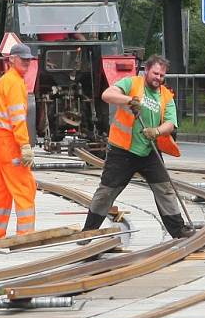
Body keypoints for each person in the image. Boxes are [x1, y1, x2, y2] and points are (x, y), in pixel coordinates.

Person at [79, 55, 195, 240]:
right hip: (122, 151)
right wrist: (128, 100)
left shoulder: (166, 96)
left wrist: (156, 131)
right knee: (106, 192)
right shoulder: (131, 83)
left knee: (165, 189)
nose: (158, 78)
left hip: (149, 151)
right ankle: (88, 233)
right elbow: (107, 95)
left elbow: (171, 123)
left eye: (162, 75)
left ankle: (179, 232)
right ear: (147, 70)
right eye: (156, 73)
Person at [0, 43, 37, 242]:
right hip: (9, 142)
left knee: (0, 190)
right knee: (24, 186)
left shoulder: (4, 81)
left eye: (29, 59)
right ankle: (26, 235)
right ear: (11, 59)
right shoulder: (14, 83)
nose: (27, 62)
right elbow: (17, 118)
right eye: (23, 59)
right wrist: (24, 145)